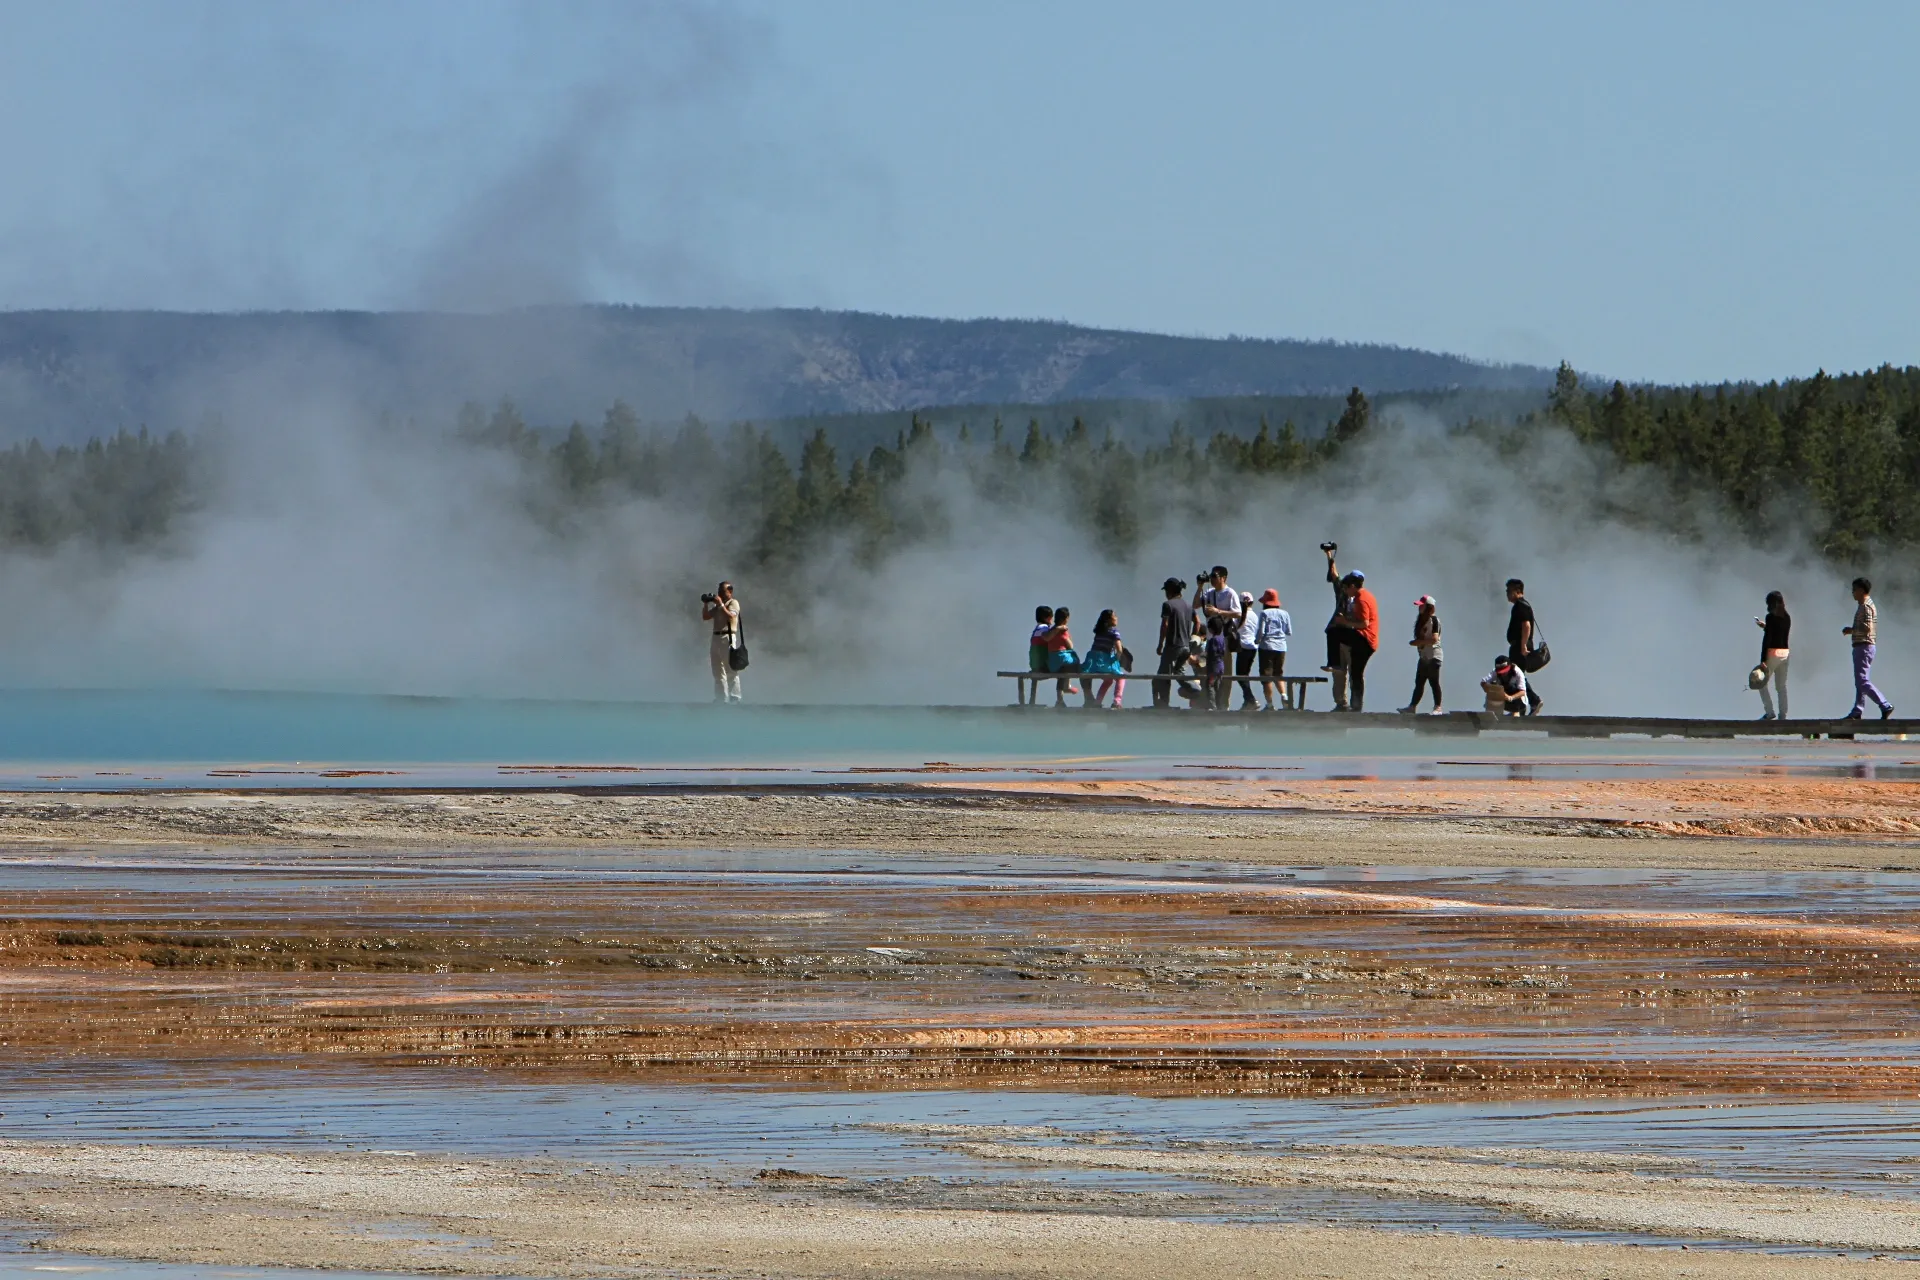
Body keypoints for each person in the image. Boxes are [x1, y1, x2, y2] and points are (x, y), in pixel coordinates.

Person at [1843, 577, 1894, 720]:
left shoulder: (1865, 606)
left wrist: (1852, 630)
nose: (1852, 593)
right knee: (1861, 680)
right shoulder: (1865, 605)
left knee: (1862, 680)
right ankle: (1857, 710)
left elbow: (1867, 628)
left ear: (1860, 591)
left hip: (1864, 646)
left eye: (1854, 590)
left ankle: (1884, 704)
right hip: (1864, 646)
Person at [1335, 571, 1379, 712]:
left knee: (1356, 673)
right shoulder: (1365, 595)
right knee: (1356, 672)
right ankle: (1356, 705)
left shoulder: (1361, 599)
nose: (1346, 592)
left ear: (1353, 586)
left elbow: (1364, 623)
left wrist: (1345, 621)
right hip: (1365, 638)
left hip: (1365, 638)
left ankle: (1356, 705)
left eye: (1347, 588)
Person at [1155, 577, 1197, 708]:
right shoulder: (1189, 606)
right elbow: (1198, 622)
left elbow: (1165, 625)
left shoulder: (1168, 605)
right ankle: (1198, 691)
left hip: (1173, 645)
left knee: (1163, 677)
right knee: (1179, 674)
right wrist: (1192, 639)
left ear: (1169, 591)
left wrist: (1160, 644)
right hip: (1186, 647)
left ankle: (1163, 705)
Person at [1505, 578, 1545, 714]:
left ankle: (1533, 701)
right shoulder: (1520, 605)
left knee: (1516, 676)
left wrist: (1523, 646)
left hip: (1520, 646)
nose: (1507, 593)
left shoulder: (1521, 606)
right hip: (1519, 645)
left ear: (1518, 591)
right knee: (1517, 676)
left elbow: (1526, 625)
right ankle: (1521, 707)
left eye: (1509, 591)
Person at [1400, 594, 1444, 714]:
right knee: (1419, 682)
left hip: (1434, 655)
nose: (1419, 609)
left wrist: (1420, 642)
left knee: (1434, 681)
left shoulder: (1434, 620)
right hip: (1423, 656)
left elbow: (1434, 639)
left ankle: (1438, 707)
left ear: (1429, 607)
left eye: (1422, 606)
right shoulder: (1421, 621)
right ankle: (1412, 706)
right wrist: (1417, 643)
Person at [1321, 543, 1353, 706]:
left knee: (1353, 672)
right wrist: (1329, 556)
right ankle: (1341, 703)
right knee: (1338, 671)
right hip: (1339, 636)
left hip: (1353, 638)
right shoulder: (1342, 593)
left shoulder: (1362, 600)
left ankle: (1354, 703)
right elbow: (1334, 575)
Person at [701, 580, 742, 703]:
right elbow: (706, 617)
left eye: (722, 591)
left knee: (730, 668)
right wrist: (706, 604)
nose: (719, 594)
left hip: (727, 637)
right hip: (716, 637)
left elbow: (731, 616)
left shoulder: (733, 603)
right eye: (719, 591)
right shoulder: (719, 605)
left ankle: (735, 696)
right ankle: (721, 697)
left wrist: (720, 605)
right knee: (717, 669)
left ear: (730, 591)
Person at [1254, 588, 1292, 710]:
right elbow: (1288, 631)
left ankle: (1269, 704)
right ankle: (1284, 695)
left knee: (1266, 676)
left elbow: (1261, 631)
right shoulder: (1285, 614)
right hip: (1281, 647)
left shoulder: (1264, 614)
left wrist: (1257, 641)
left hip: (1267, 646)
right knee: (1278, 673)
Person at [1754, 591, 1790, 721]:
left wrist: (1763, 660)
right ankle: (1783, 716)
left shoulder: (1770, 617)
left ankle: (1769, 712)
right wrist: (1766, 626)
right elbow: (1777, 632)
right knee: (1781, 686)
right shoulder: (1786, 617)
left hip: (1773, 653)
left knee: (1760, 682)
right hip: (1785, 653)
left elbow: (1768, 639)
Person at [1084, 609, 1129, 709]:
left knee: (1108, 680)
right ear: (1109, 620)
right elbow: (1119, 650)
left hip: (1092, 662)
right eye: (1114, 616)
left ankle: (1097, 702)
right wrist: (1115, 661)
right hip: (1103, 661)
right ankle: (1117, 701)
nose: (1116, 618)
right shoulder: (1114, 631)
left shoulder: (1099, 632)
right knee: (1121, 677)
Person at [1044, 605, 1085, 707]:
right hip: (1061, 659)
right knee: (1076, 665)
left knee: (1063, 672)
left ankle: (1060, 699)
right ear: (1065, 619)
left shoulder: (1052, 629)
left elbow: (1046, 638)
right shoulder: (1063, 631)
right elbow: (1070, 646)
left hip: (1053, 663)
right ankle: (1068, 687)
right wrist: (1068, 638)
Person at [1232, 590, 1261, 710]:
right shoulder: (1255, 616)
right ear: (1252, 603)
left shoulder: (1239, 615)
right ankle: (1247, 702)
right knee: (1245, 675)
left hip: (1242, 646)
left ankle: (1251, 699)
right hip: (1253, 648)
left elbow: (1233, 628)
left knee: (1240, 675)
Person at [1026, 605, 1054, 705]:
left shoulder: (1036, 629)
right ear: (1047, 618)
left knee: (1034, 679)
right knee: (1062, 668)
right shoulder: (1046, 629)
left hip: (1034, 664)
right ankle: (1060, 699)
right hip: (1043, 665)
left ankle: (1031, 700)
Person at [1203, 617, 1231, 710]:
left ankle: (1212, 706)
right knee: (1218, 687)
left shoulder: (1212, 640)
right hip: (1221, 666)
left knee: (1210, 685)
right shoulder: (1222, 639)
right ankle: (1220, 706)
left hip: (1213, 667)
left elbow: (1211, 653)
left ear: (1211, 629)